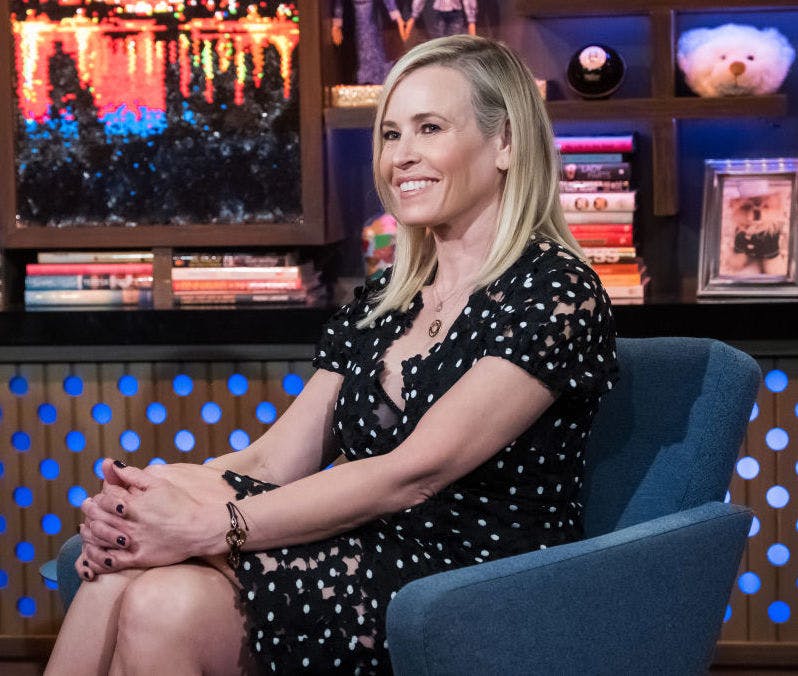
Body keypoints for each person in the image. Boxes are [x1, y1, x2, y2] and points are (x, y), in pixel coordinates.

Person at [46, 34, 618, 675]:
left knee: (156, 577)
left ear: (506, 143)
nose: (401, 156)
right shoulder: (388, 295)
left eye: (429, 128)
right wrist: (141, 504)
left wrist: (206, 526)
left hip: (471, 581)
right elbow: (272, 460)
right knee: (154, 583)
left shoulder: (556, 291)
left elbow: (412, 475)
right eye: (391, 134)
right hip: (372, 541)